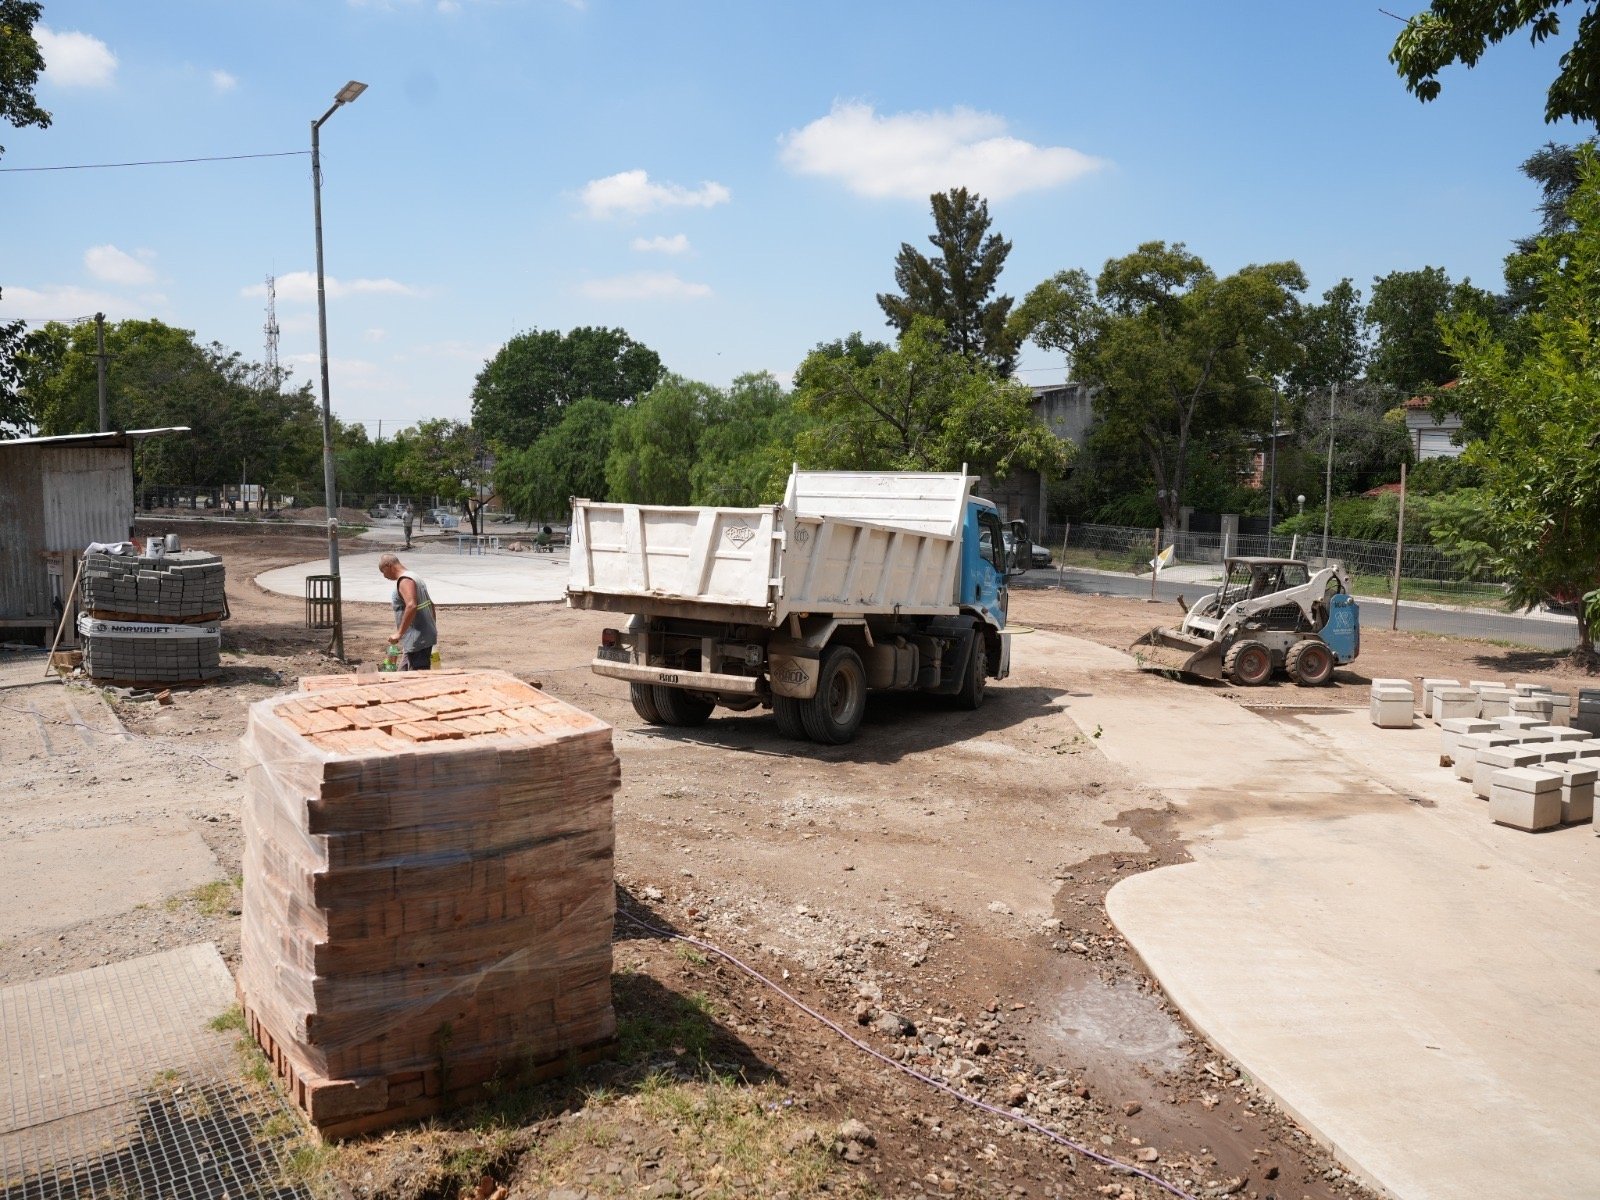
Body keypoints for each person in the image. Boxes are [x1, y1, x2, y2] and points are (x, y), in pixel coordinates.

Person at [378, 553, 437, 670]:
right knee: (402, 674)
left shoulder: (405, 580)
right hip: (417, 638)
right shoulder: (415, 577)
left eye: (383, 571)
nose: (384, 576)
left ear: (388, 565)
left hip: (418, 640)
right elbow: (431, 605)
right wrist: (432, 628)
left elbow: (411, 605)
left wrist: (399, 633)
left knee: (418, 679)